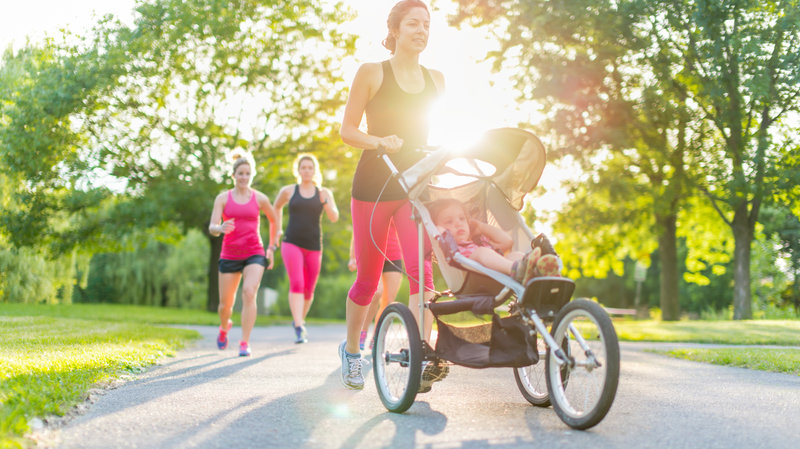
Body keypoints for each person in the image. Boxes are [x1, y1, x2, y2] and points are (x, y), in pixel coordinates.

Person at [338, 0, 444, 389]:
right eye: (414, 23)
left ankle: (424, 354)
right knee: (368, 279)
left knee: (423, 272)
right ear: (395, 30)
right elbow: (347, 130)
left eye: (427, 25)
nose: (422, 30)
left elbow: (431, 136)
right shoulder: (371, 72)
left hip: (415, 186)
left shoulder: (437, 80)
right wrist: (379, 141)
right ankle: (352, 353)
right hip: (373, 186)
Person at [208, 150, 279, 357]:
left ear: (251, 175)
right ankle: (224, 327)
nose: (244, 177)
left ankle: (244, 342)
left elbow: (274, 220)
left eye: (248, 174)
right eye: (240, 173)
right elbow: (212, 226)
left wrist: (271, 248)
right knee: (225, 306)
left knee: (249, 292)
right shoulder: (222, 198)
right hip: (229, 254)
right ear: (233, 175)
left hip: (254, 252)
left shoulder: (260, 198)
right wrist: (219, 228)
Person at [272, 153, 339, 344]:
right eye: (304, 167)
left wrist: (325, 202)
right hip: (291, 242)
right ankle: (299, 326)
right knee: (297, 283)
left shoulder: (323, 192)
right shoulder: (289, 191)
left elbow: (334, 217)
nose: (307, 171)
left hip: (314, 245)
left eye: (310, 168)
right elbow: (276, 207)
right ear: (299, 170)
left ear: (314, 170)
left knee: (309, 289)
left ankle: (298, 321)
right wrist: (278, 229)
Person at [428, 198, 561, 283]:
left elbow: (507, 242)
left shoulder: (480, 243)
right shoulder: (453, 248)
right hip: (473, 276)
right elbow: (437, 231)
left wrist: (481, 226)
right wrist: (436, 227)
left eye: (462, 219)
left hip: (499, 271)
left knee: (516, 255)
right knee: (482, 252)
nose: (458, 224)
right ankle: (518, 270)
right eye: (449, 221)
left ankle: (541, 274)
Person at [348, 221, 403, 351]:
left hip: (393, 256)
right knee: (376, 293)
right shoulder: (372, 203)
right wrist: (352, 256)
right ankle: (363, 331)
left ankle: (377, 336)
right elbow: (357, 230)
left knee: (388, 301)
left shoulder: (398, 204)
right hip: (372, 253)